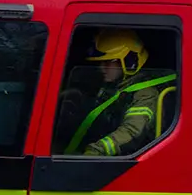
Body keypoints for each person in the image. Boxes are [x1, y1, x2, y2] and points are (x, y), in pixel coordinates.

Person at [60, 28, 177, 157]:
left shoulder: (145, 94)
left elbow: (131, 131)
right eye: (100, 62)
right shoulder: (115, 86)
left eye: (109, 62)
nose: (102, 68)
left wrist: (96, 151)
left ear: (130, 62)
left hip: (126, 161)